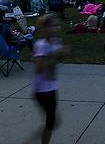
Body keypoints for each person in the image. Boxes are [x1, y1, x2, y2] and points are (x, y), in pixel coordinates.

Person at [32, 14, 67, 144]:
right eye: (53, 26)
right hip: (41, 90)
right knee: (51, 122)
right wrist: (55, 56)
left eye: (57, 25)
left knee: (52, 122)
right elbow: (39, 68)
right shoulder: (41, 45)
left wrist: (62, 54)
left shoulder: (56, 41)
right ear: (43, 28)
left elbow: (59, 60)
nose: (56, 28)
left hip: (51, 86)